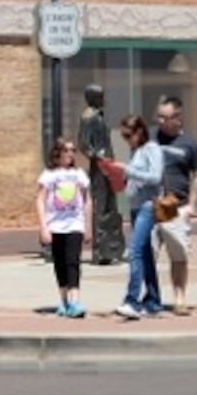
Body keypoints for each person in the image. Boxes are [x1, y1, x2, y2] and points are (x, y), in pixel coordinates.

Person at [150, 93, 197, 315]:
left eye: (166, 118)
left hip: (175, 206)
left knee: (179, 256)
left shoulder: (190, 143)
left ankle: (179, 299)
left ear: (178, 118)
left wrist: (191, 205)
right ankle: (150, 299)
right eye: (159, 117)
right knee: (147, 254)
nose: (161, 122)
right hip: (152, 204)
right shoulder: (150, 139)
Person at [113, 114, 167, 318]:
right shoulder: (135, 151)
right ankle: (153, 301)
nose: (126, 139)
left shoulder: (151, 149)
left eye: (128, 135)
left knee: (134, 251)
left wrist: (127, 169)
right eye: (123, 136)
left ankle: (132, 300)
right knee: (144, 255)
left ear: (139, 131)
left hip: (148, 206)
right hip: (136, 207)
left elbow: (155, 176)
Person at [35, 136, 93, 319]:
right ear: (57, 153)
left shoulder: (79, 175)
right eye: (66, 150)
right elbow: (40, 200)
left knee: (72, 261)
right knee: (59, 263)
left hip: (74, 223)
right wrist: (43, 227)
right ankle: (64, 301)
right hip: (55, 225)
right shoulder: (49, 176)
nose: (70, 154)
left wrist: (88, 225)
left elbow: (86, 200)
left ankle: (75, 300)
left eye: (73, 150)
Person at [77, 84, 123, 265]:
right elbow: (84, 144)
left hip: (108, 165)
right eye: (101, 96)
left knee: (111, 206)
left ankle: (111, 248)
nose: (104, 99)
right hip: (100, 167)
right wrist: (98, 155)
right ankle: (100, 250)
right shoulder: (88, 118)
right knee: (101, 205)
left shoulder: (98, 115)